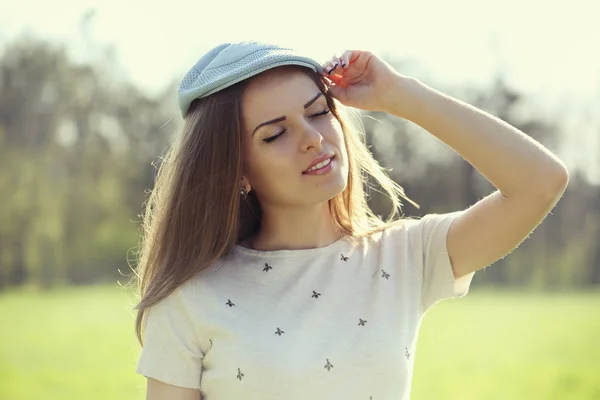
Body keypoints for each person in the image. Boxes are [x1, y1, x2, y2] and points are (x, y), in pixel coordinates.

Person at [132, 41, 568, 400]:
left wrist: (399, 94)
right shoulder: (190, 297)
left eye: (318, 111)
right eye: (275, 133)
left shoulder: (404, 255)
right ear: (237, 170)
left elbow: (540, 182)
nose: (312, 138)